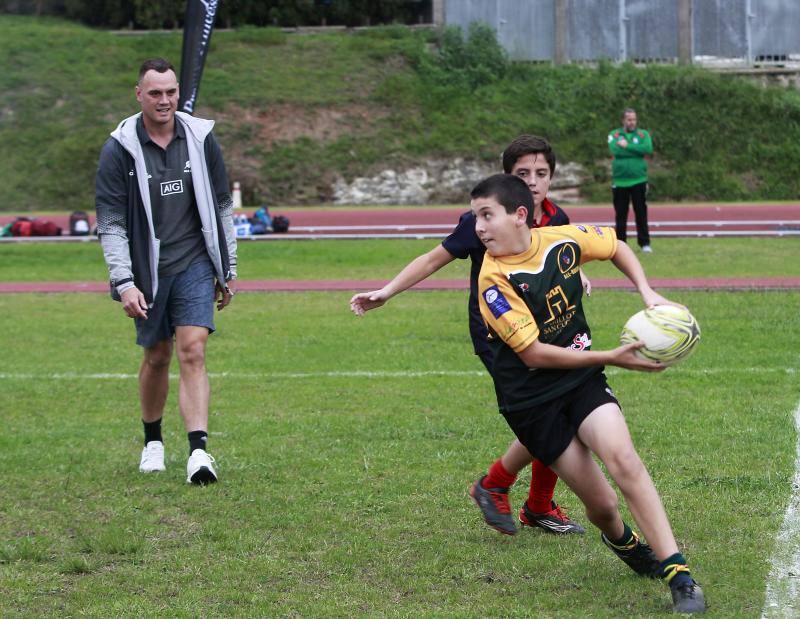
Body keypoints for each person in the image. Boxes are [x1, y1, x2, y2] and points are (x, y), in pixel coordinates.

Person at [472, 173, 705, 614]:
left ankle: (679, 574)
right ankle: (623, 541)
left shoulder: (561, 240)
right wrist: (611, 356)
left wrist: (646, 291)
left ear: (520, 215)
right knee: (602, 506)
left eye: (487, 215)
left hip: (581, 380)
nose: (479, 227)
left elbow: (614, 244)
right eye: (475, 217)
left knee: (624, 460)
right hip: (532, 401)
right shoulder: (492, 281)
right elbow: (534, 354)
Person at [351, 135, 587, 536]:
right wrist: (387, 291)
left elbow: (562, 257)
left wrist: (579, 274)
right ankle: (503, 489)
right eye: (521, 174)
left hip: (547, 333)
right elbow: (433, 258)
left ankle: (529, 500)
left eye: (541, 173)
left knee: (557, 415)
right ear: (504, 178)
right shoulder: (480, 220)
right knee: (551, 416)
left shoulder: (557, 219)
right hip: (499, 338)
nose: (532, 182)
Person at [95, 58, 237, 485]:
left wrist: (227, 266)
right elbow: (112, 224)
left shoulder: (201, 138)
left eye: (171, 91)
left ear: (179, 92)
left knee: (193, 350)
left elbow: (223, 206)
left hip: (195, 262)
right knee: (157, 356)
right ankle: (153, 440)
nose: (164, 100)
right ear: (138, 94)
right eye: (154, 92)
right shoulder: (119, 149)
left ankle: (199, 453)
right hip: (147, 270)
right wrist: (124, 282)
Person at [608, 108, 653, 253]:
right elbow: (615, 150)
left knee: (641, 212)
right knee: (621, 213)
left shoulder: (643, 134)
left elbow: (647, 149)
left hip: (639, 179)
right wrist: (636, 150)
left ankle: (645, 243)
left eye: (634, 119)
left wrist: (628, 146)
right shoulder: (614, 134)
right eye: (629, 119)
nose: (632, 122)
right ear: (623, 120)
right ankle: (621, 244)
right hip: (620, 181)